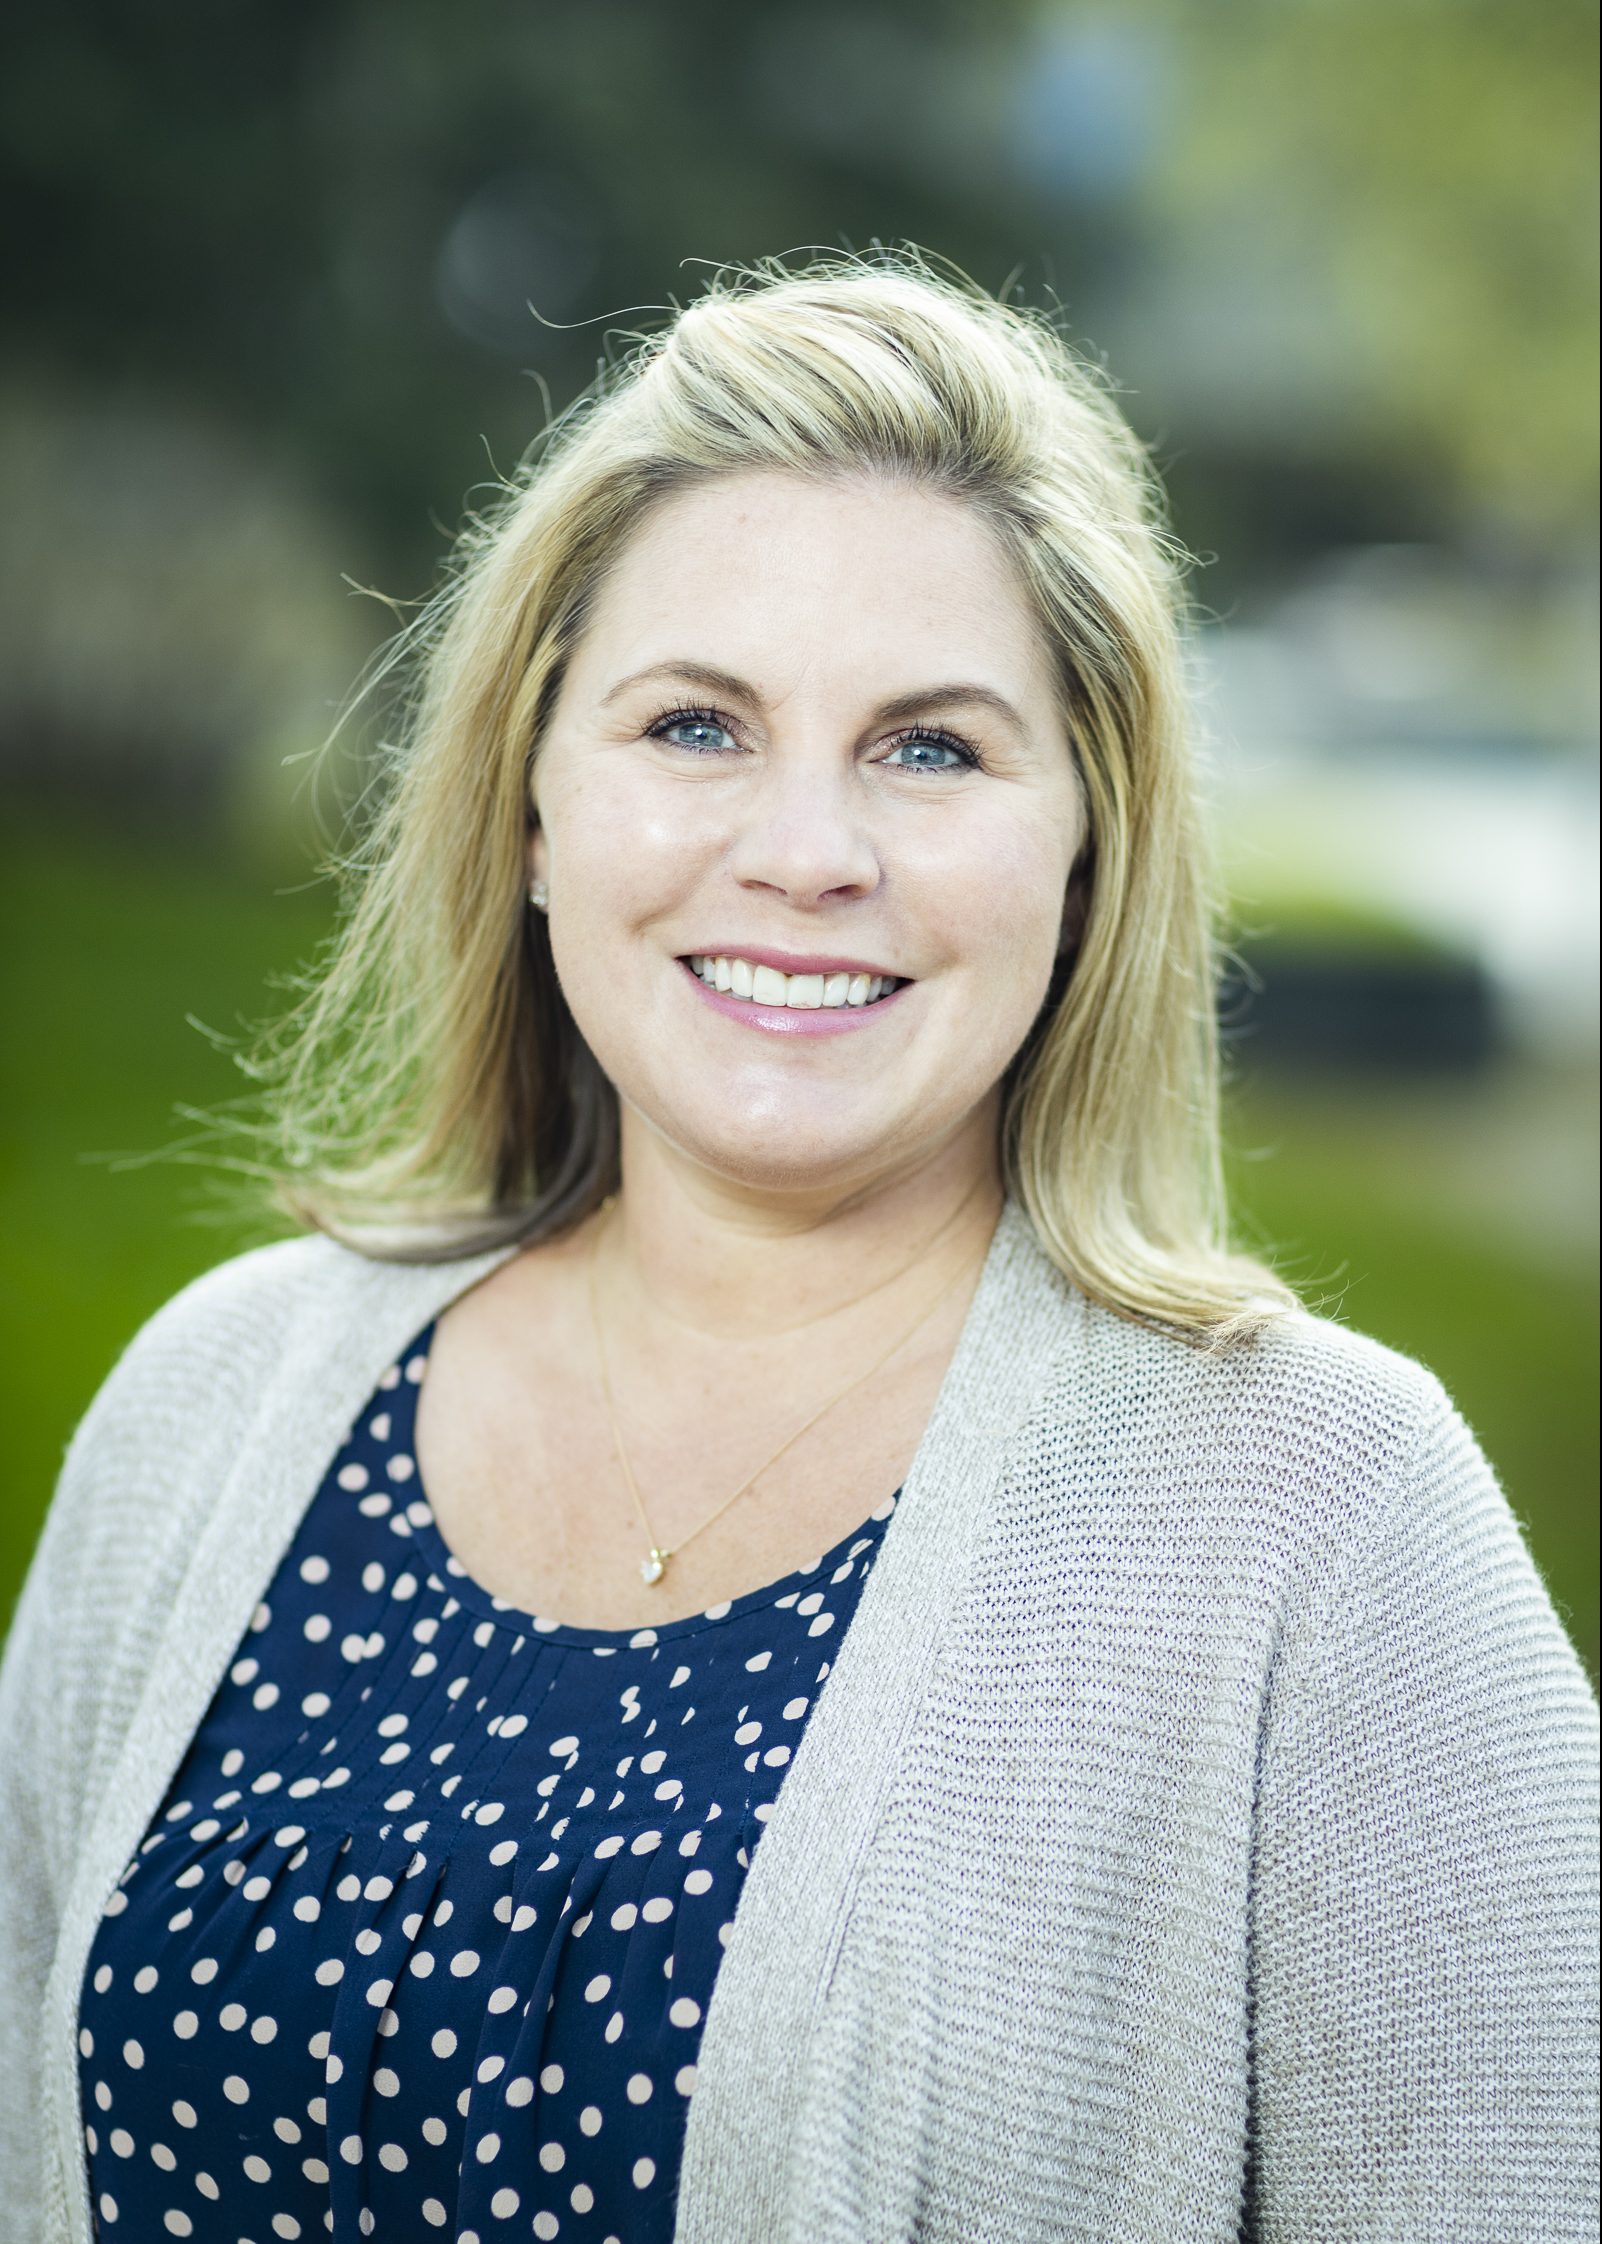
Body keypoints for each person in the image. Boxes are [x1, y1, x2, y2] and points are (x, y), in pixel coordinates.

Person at [1, 249, 1595, 2244]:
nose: (807, 853)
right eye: (695, 726)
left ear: (1086, 851)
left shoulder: (1324, 1525)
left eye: (931, 748)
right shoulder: (215, 1405)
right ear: (531, 808)